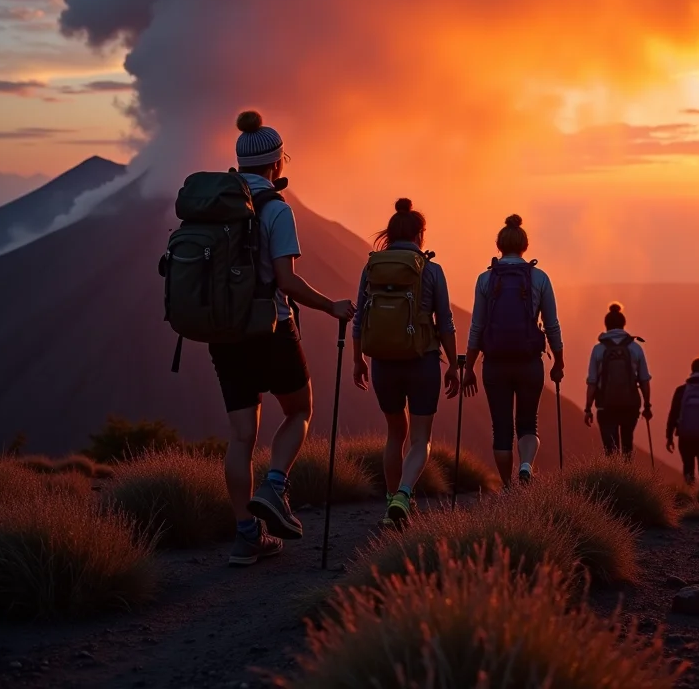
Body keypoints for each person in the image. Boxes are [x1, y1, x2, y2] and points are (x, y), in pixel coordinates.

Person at [211, 110, 355, 567]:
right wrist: (331, 305)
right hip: (270, 330)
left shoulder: (215, 205)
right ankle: (275, 486)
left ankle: (246, 536)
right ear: (276, 165)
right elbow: (286, 283)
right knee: (299, 410)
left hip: (223, 333)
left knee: (240, 437)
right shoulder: (276, 209)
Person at [352, 198, 459, 526]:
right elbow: (445, 322)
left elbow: (359, 319)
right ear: (420, 234)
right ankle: (404, 495)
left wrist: (358, 360)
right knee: (420, 438)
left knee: (394, 434)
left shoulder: (372, 266)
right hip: (422, 360)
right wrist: (454, 364)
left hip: (383, 361)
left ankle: (390, 505)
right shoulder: (431, 269)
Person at [461, 215, 564, 487]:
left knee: (501, 428)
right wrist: (559, 361)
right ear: (525, 245)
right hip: (529, 361)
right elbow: (552, 325)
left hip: (494, 363)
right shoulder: (539, 278)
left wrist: (469, 367)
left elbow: (476, 327)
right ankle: (527, 466)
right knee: (529, 423)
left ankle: (508, 488)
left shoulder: (485, 279)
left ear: (499, 245)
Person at [584, 303, 652, 458]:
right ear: (623, 324)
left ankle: (614, 479)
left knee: (610, 449)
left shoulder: (598, 349)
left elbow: (592, 382)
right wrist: (647, 405)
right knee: (627, 443)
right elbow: (644, 381)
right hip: (630, 404)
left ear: (606, 325)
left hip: (605, 406)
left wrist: (588, 409)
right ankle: (627, 477)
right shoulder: (635, 348)